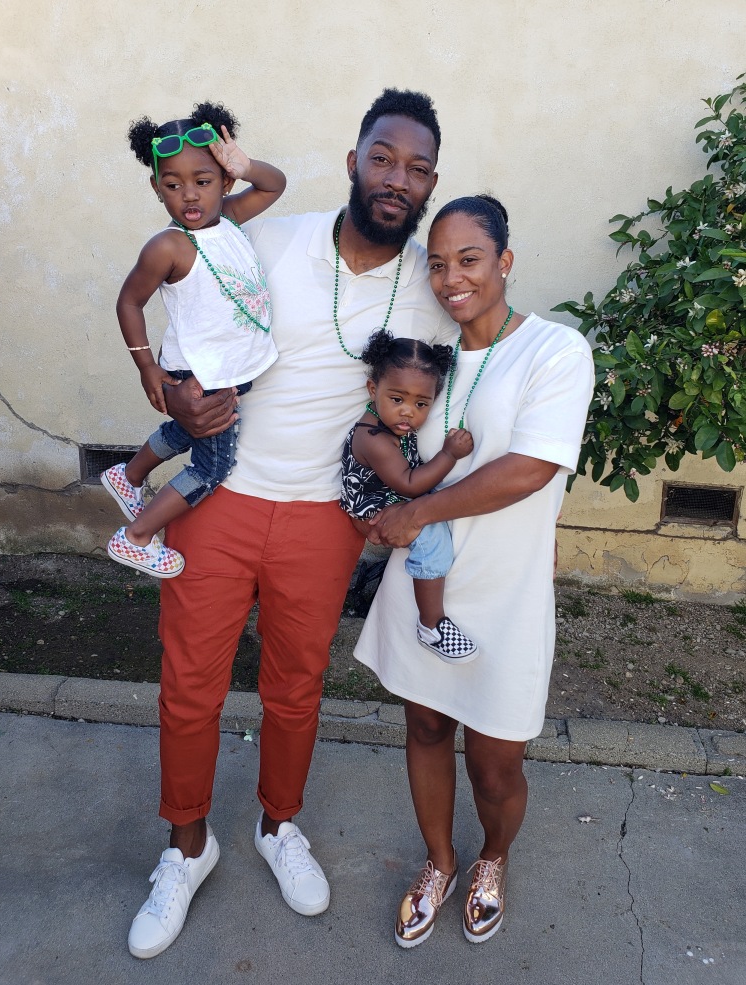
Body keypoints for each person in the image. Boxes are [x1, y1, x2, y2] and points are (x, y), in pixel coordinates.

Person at [126, 89, 456, 960]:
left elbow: (471, 371)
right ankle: (187, 846)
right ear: (354, 163)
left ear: (429, 185)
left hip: (324, 519)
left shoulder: (429, 286)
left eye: (418, 168)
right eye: (383, 158)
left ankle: (278, 826)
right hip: (219, 500)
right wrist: (176, 394)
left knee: (296, 688)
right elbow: (176, 309)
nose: (398, 178)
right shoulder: (268, 234)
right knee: (190, 683)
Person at [354, 194, 594, 948]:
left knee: (496, 763)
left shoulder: (555, 351)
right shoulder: (433, 353)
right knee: (425, 724)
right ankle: (439, 860)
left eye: (469, 259)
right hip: (424, 586)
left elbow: (528, 469)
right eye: (437, 262)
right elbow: (382, 425)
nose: (451, 277)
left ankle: (493, 855)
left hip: (508, 591)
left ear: (505, 263)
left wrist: (417, 513)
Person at [102, 102, 284, 578]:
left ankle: (129, 474)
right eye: (172, 184)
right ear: (156, 187)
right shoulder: (170, 245)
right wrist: (147, 367)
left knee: (187, 431)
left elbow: (274, 183)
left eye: (202, 181)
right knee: (211, 467)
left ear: (225, 180)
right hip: (202, 373)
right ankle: (136, 537)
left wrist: (245, 166)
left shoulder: (229, 218)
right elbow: (128, 302)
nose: (189, 196)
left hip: (229, 365)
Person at [340, 330, 478, 662]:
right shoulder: (374, 438)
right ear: (373, 390)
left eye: (421, 404)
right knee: (431, 535)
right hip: (374, 509)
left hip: (390, 496)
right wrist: (449, 454)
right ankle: (431, 624)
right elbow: (409, 485)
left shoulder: (390, 425)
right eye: (397, 399)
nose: (408, 413)